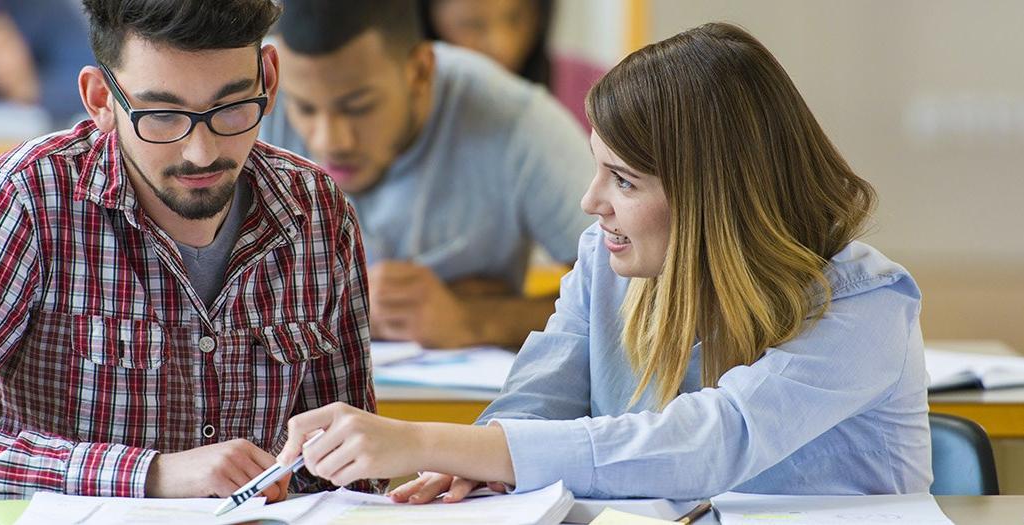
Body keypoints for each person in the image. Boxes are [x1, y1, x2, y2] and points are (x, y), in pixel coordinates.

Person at [274, 22, 932, 501]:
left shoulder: (866, 303)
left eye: (622, 180)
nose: (591, 202)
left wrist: (425, 441)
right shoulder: (607, 259)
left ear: (712, 195)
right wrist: (480, 460)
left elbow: (711, 443)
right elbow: (539, 395)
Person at [0, 0, 377, 503]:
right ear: (100, 100)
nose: (201, 151)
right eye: (162, 115)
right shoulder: (26, 200)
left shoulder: (317, 213)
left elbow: (349, 473)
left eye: (232, 108)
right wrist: (149, 474)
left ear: (269, 80)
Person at [260, 0, 594, 349]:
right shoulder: (256, 99)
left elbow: (631, 292)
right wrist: (335, 308)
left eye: (358, 107)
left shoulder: (519, 122)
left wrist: (475, 319)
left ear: (419, 71)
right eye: (304, 107)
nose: (329, 140)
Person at [419, 0, 607, 130]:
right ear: (429, 24)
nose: (502, 45)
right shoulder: (409, 112)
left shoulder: (598, 88)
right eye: (473, 25)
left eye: (515, 18)